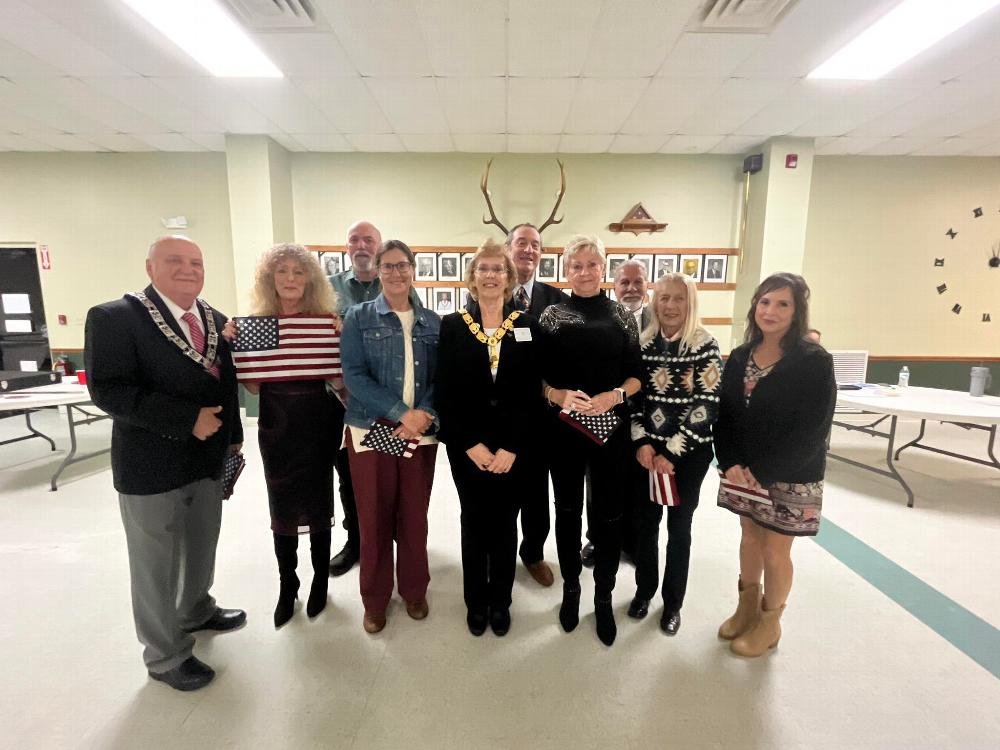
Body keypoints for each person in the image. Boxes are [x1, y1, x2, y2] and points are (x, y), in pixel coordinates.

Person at [84, 236, 245, 692]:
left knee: (201, 543)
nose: (188, 269)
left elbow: (226, 385)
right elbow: (109, 391)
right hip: (150, 465)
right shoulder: (115, 318)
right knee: (154, 562)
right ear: (150, 266)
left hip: (207, 459)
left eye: (196, 262)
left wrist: (232, 438)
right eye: (175, 261)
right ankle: (164, 655)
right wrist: (185, 420)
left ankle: (195, 609)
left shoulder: (213, 319)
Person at [714, 272, 835, 657]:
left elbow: (813, 428)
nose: (771, 310)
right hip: (742, 472)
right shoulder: (739, 356)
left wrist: (763, 472)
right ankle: (746, 607)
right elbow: (726, 416)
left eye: (783, 303)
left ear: (797, 311)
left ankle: (770, 622)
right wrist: (730, 461)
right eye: (765, 301)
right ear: (755, 306)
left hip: (790, 474)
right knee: (749, 540)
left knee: (775, 551)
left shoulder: (814, 361)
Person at [230, 244, 344, 628]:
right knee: (281, 503)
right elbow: (252, 385)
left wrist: (342, 340)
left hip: (319, 419)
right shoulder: (258, 324)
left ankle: (320, 581)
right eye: (283, 272)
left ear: (310, 279)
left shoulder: (326, 321)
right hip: (277, 422)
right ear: (270, 279)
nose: (291, 279)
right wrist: (237, 342)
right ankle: (287, 583)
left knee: (319, 501)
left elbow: (340, 380)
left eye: (299, 271)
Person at [539, 234, 642, 646]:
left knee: (608, 513)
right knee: (566, 510)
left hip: (611, 429)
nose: (584, 272)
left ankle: (603, 594)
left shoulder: (621, 316)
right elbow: (536, 378)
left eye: (592, 264)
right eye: (576, 265)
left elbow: (636, 375)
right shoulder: (551, 317)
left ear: (603, 268)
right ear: (566, 271)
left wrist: (615, 395)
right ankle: (571, 589)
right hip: (564, 429)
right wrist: (555, 394)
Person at [436, 240, 543, 637]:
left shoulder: (527, 326)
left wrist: (512, 447)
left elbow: (532, 394)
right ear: (472, 277)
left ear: (509, 278)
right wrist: (470, 444)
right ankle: (475, 602)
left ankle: (501, 601)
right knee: (474, 522)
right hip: (469, 448)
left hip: (514, 450)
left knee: (504, 525)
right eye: (484, 268)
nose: (491, 276)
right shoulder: (453, 326)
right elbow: (445, 393)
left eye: (499, 269)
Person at [340, 240, 440, 634]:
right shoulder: (358, 318)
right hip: (370, 431)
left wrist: (424, 415)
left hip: (420, 434)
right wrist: (401, 413)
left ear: (413, 269)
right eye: (388, 266)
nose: (396, 273)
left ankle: (415, 590)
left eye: (403, 266)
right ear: (377, 270)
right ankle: (375, 600)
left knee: (414, 517)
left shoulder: (432, 322)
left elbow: (439, 378)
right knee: (374, 518)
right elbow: (353, 375)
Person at [628, 273, 722, 635]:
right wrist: (643, 443)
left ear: (690, 302)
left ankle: (673, 603)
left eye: (678, 299)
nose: (669, 306)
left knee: (679, 528)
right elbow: (634, 397)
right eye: (663, 298)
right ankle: (643, 591)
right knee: (646, 526)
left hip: (688, 456)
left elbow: (707, 405)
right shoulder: (643, 342)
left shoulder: (704, 344)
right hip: (648, 454)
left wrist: (672, 452)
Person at [326, 220, 421, 577]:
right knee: (353, 479)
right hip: (342, 402)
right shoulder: (329, 290)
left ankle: (398, 542)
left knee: (398, 480)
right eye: (354, 240)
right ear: (347, 247)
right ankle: (358, 541)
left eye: (369, 240)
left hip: (397, 408)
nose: (361, 245)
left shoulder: (411, 297)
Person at [578, 259, 652, 569]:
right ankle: (597, 538)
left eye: (638, 282)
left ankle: (633, 542)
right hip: (606, 415)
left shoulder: (660, 319)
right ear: (614, 284)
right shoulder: (605, 317)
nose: (631, 288)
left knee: (638, 485)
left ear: (646, 285)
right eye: (625, 282)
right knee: (598, 483)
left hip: (648, 421)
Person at [506, 222, 568, 587]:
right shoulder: (488, 293)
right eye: (521, 243)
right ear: (509, 248)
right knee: (498, 489)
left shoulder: (558, 300)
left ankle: (532, 552)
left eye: (536, 245)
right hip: (502, 413)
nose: (528, 250)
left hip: (544, 417)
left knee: (535, 492)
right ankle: (496, 550)